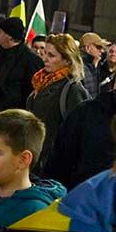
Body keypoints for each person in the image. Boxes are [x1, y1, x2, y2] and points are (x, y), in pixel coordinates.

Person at [27, 34, 90, 170]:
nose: (44, 59)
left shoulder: (72, 89)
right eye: (45, 54)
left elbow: (77, 131)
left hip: (51, 164)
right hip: (32, 156)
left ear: (67, 60)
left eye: (51, 55)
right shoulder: (41, 81)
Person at [0, 16, 45, 122]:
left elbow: (32, 93)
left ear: (9, 36)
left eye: (0, 31)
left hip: (12, 119)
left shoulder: (31, 60)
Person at [80, 33, 108, 98]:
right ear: (88, 48)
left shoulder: (92, 65)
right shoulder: (81, 67)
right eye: (98, 47)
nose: (101, 50)